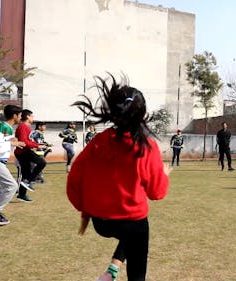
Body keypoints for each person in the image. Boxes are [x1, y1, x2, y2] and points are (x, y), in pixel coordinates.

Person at [66, 74, 172, 281]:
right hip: (131, 220)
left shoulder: (97, 142)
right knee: (137, 237)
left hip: (101, 222)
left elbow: (74, 178)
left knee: (133, 234)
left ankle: (112, 270)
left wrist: (84, 208)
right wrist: (164, 175)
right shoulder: (146, 147)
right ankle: (116, 271)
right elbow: (157, 193)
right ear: (142, 113)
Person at [0, 105, 25, 224]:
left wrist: (13, 142)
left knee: (1, 190)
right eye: (20, 115)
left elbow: (3, 142)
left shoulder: (8, 128)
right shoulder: (3, 126)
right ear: (14, 116)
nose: (21, 118)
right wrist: (12, 141)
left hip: (2, 162)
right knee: (12, 186)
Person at [14, 109, 47, 202]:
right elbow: (24, 141)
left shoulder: (26, 126)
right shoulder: (23, 126)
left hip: (24, 151)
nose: (33, 118)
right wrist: (37, 145)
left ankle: (22, 194)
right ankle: (28, 181)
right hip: (23, 152)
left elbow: (28, 140)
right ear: (28, 117)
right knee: (42, 162)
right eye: (32, 116)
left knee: (26, 173)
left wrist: (38, 144)